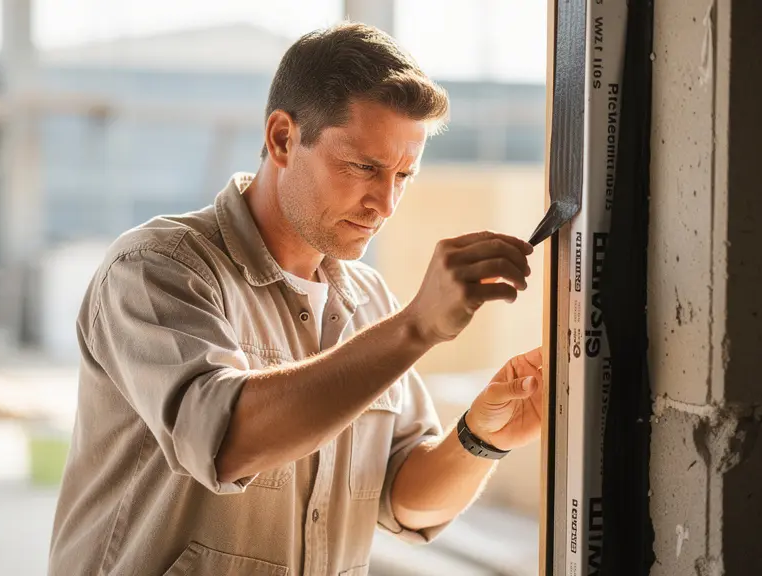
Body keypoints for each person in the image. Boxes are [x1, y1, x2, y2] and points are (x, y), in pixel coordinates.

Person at [48, 22, 543, 576]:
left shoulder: (370, 304)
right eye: (364, 167)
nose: (385, 202)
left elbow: (403, 498)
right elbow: (227, 442)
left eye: (404, 175)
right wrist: (417, 328)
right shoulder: (155, 271)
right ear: (284, 138)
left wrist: (482, 436)